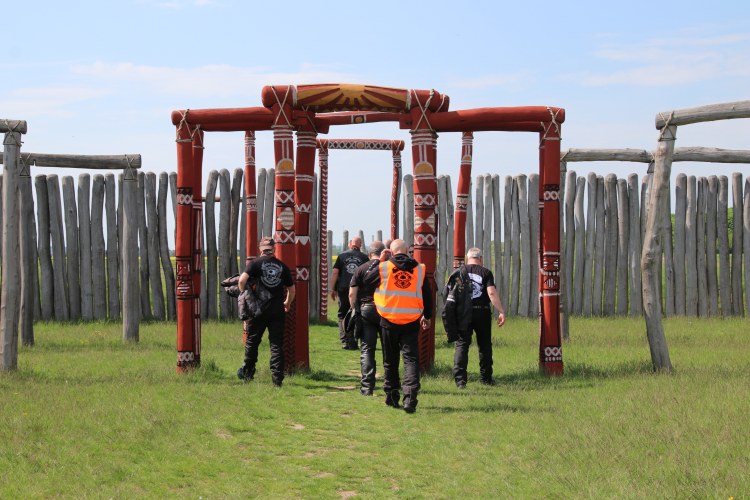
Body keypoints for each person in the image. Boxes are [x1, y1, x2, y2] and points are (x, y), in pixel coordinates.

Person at [371, 239, 432, 413]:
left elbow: (365, 280)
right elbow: (427, 295)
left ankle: (391, 395)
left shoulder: (383, 268)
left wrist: (379, 260)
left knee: (390, 360)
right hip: (411, 320)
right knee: (411, 360)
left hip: (388, 319)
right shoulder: (419, 269)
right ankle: (410, 397)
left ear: (390, 251)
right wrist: (427, 316)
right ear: (408, 251)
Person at [237, 237, 295, 387]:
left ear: (260, 249)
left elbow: (242, 281)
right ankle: (277, 381)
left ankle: (248, 375)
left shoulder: (254, 263)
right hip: (277, 310)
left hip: (258, 310)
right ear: (274, 248)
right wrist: (287, 303)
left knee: (253, 342)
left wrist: (245, 295)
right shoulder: (282, 266)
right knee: (276, 345)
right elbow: (292, 289)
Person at [452, 247, 505, 388]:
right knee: (484, 345)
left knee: (462, 344)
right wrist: (500, 311)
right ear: (481, 259)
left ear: (467, 258)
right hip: (482, 312)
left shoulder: (460, 272)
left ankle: (460, 381)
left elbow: (456, 293)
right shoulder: (486, 272)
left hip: (464, 313)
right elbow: (491, 293)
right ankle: (486, 378)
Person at [348, 240, 386, 396]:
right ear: (384, 253)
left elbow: (352, 293)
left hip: (367, 310)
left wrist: (354, 309)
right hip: (385, 311)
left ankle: (366, 387)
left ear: (370, 254)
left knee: (367, 349)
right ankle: (390, 384)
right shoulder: (388, 269)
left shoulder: (361, 269)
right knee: (388, 348)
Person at [330, 236, 368, 349]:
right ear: (360, 245)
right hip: (358, 289)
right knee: (357, 313)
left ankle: (345, 340)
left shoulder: (341, 256)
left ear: (349, 244)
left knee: (342, 314)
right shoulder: (364, 257)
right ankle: (355, 340)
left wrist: (332, 289)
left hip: (343, 288)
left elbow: (335, 273)